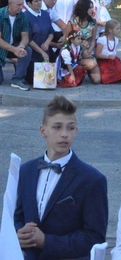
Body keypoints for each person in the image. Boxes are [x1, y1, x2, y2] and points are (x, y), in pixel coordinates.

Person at [14, 95, 108, 259]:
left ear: (76, 131)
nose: (64, 134)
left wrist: (46, 241)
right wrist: (18, 232)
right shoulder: (25, 171)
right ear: (43, 131)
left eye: (70, 128)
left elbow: (94, 237)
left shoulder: (92, 180)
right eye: (57, 127)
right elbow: (18, 215)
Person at [1, 0, 34, 90]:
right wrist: (14, 49)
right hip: (2, 47)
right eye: (18, 5)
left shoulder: (23, 16)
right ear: (10, 4)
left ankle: (18, 79)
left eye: (22, 4)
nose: (21, 7)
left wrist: (21, 47)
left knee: (27, 50)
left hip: (14, 46)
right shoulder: (0, 14)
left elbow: (25, 37)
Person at [23, 0, 55, 83]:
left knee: (49, 79)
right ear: (29, 3)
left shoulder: (45, 14)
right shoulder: (25, 16)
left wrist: (47, 42)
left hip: (46, 50)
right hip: (32, 54)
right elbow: (28, 38)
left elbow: (51, 31)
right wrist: (42, 52)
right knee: (34, 80)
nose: (39, 3)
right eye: (36, 1)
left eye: (40, 0)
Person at [95, 19, 121, 84]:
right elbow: (97, 54)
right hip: (104, 60)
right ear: (110, 30)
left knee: (120, 68)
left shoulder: (116, 40)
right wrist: (108, 57)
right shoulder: (102, 40)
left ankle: (115, 78)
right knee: (107, 73)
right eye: (117, 29)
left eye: (119, 28)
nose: (119, 30)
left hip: (113, 60)